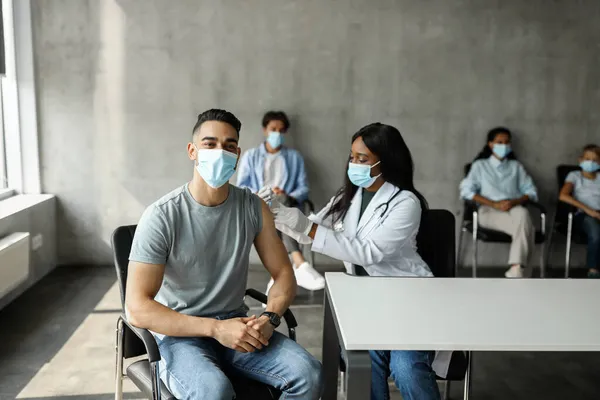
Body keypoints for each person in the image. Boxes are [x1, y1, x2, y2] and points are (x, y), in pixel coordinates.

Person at [125, 109, 322, 400]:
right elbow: (137, 308)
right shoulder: (161, 216)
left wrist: (270, 318)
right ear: (192, 151)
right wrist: (215, 329)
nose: (221, 152)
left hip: (237, 325)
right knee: (213, 392)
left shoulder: (253, 208)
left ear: (238, 153)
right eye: (210, 143)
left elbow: (283, 274)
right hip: (181, 335)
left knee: (310, 374)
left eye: (229, 146)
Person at [261, 123, 441, 400]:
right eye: (352, 157)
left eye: (363, 159)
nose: (354, 164)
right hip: (366, 301)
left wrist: (306, 227)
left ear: (386, 160)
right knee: (365, 366)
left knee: (406, 368)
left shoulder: (406, 202)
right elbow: (311, 230)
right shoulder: (347, 196)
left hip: (407, 299)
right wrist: (276, 211)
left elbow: (368, 252)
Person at [237, 111, 325, 292]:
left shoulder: (294, 157)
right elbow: (242, 186)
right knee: (273, 206)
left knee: (280, 205)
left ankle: (277, 276)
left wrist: (285, 193)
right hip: (259, 204)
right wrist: (265, 194)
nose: (277, 133)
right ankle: (298, 262)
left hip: (286, 205)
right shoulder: (251, 156)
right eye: (273, 129)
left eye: (281, 130)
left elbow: (303, 188)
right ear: (265, 130)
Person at [459, 127, 539, 278]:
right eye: (499, 142)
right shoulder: (480, 166)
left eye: (507, 142)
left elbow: (531, 191)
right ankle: (520, 271)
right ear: (490, 144)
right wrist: (493, 204)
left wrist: (515, 201)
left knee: (523, 213)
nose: (504, 145)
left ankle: (516, 268)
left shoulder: (516, 167)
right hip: (488, 210)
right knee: (527, 228)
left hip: (514, 207)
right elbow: (466, 191)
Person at [559, 144, 600, 278]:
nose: (591, 162)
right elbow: (563, 195)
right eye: (588, 159)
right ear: (581, 160)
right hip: (583, 215)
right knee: (595, 232)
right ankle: (593, 270)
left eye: (595, 160)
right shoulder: (574, 175)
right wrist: (589, 211)